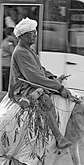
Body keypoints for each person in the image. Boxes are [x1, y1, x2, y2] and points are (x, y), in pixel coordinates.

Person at [9, 18, 72, 150]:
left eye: (35, 32)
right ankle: (59, 138)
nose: (36, 35)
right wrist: (59, 87)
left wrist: (54, 79)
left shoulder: (29, 50)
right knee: (45, 100)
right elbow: (34, 78)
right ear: (23, 35)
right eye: (33, 33)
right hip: (23, 88)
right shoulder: (20, 52)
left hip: (32, 83)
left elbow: (41, 70)